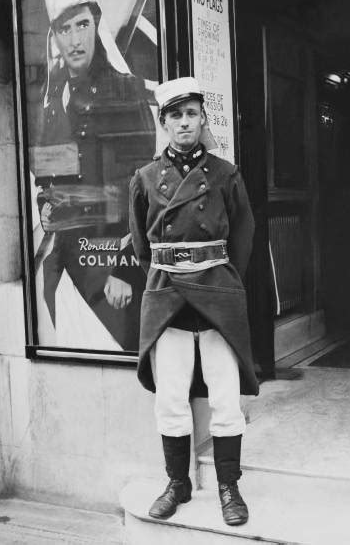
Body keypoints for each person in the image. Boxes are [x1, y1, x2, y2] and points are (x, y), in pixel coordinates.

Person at [129, 77, 259, 526]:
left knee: (224, 395)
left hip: (217, 294)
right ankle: (177, 483)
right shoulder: (145, 179)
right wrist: (171, 273)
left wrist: (223, 281)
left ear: (203, 119)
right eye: (175, 116)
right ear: (163, 123)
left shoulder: (225, 173)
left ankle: (228, 485)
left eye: (191, 114)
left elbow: (243, 234)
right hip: (167, 297)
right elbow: (144, 250)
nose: (184, 123)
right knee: (170, 396)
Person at [33, 0, 155, 349]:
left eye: (82, 25)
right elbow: (48, 178)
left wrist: (126, 270)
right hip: (66, 262)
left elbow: (144, 191)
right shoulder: (52, 102)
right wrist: (46, 206)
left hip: (110, 264)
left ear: (96, 25)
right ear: (54, 36)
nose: (74, 40)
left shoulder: (126, 90)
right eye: (64, 29)